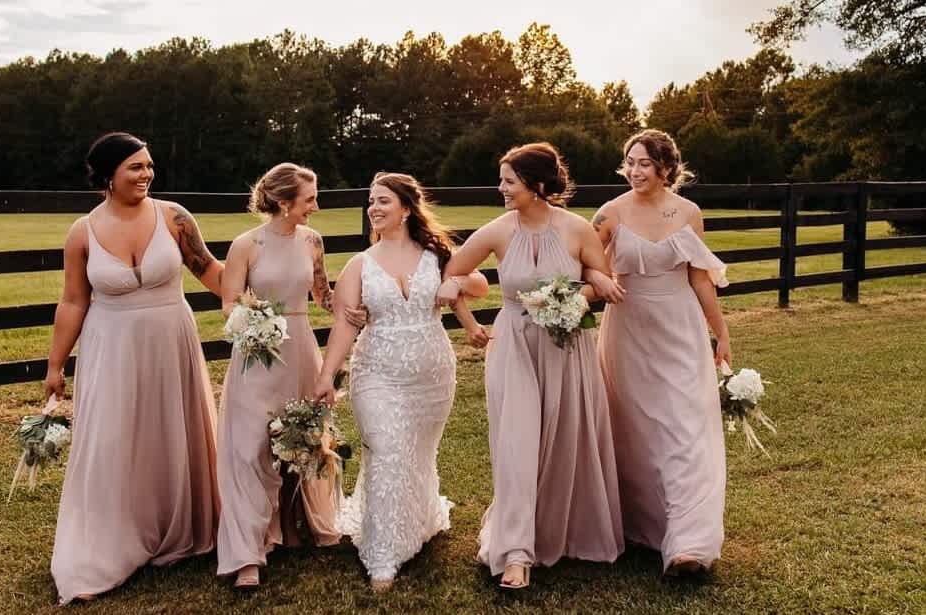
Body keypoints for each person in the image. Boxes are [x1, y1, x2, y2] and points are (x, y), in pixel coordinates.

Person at [45, 132, 225, 604]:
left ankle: (176, 525)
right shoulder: (82, 232)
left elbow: (211, 271)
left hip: (171, 340)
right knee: (114, 436)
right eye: (135, 167)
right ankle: (110, 540)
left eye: (149, 165)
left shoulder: (174, 217)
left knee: (171, 429)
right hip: (111, 346)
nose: (146, 174)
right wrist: (55, 365)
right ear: (109, 175)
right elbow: (73, 301)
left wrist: (259, 285)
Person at [439, 142, 624, 589]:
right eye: (501, 180)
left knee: (564, 438)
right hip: (514, 345)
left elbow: (600, 281)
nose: (501, 188)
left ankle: (565, 530)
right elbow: (451, 273)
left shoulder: (577, 229)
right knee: (516, 445)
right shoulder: (497, 230)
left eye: (509, 181)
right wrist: (467, 319)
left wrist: (579, 291)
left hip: (567, 345)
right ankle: (516, 553)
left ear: (537, 185)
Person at [312, 172, 488, 591]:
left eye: (383, 201)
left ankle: (419, 520)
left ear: (406, 209)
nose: (373, 208)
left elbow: (480, 284)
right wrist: (326, 376)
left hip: (433, 375)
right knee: (387, 452)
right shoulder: (360, 264)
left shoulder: (437, 254)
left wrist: (456, 281)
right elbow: (344, 325)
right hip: (377, 372)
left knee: (417, 454)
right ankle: (383, 555)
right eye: (371, 201)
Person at [588, 128, 731, 577]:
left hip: (679, 327)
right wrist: (599, 279)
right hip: (628, 330)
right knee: (637, 426)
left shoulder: (688, 213)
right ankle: (644, 524)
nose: (634, 171)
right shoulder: (610, 213)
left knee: (685, 424)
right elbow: (585, 263)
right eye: (630, 162)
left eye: (644, 164)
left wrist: (721, 332)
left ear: (666, 168)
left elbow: (699, 278)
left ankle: (688, 544)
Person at [215, 162, 365, 588]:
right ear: (283, 202)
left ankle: (292, 524)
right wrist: (255, 323)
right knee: (250, 448)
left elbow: (322, 295)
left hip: (300, 348)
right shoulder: (247, 245)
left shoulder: (312, 241)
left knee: (300, 439)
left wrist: (350, 310)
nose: (315, 206)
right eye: (309, 199)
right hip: (258, 354)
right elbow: (229, 303)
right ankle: (247, 552)